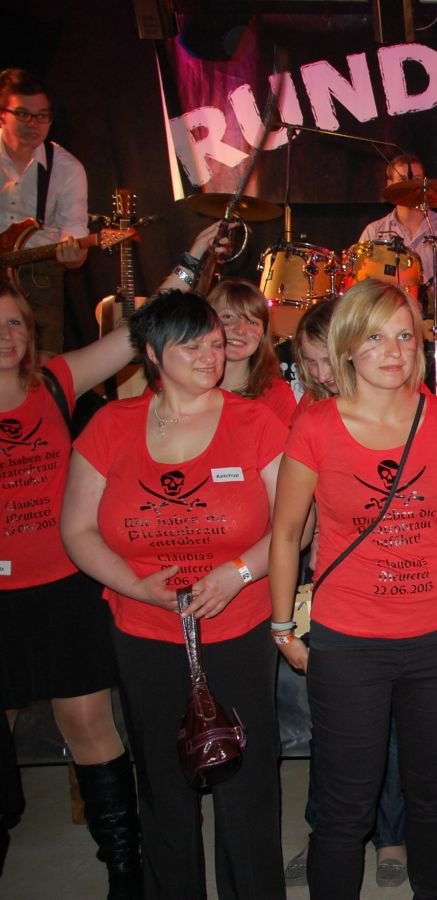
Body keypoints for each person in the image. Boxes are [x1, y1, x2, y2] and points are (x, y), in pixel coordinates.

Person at [268, 278, 437, 900]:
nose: (393, 351)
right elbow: (286, 534)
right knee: (346, 805)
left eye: (404, 336)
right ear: (346, 346)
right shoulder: (316, 426)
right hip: (348, 641)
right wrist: (282, 627)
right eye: (375, 337)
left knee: (432, 795)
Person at [61, 290, 287, 899]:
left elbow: (296, 524)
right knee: (163, 783)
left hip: (238, 627)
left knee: (247, 786)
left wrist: (238, 571)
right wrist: (134, 584)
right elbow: (76, 530)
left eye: (215, 343)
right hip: (145, 630)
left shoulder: (255, 422)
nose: (212, 355)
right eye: (192, 346)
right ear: (154, 355)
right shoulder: (111, 426)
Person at [0, 280, 139, 898]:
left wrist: (192, 265)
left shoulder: (53, 383)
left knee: (87, 721)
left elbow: (136, 337)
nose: (7, 336)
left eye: (15, 323)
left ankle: (125, 873)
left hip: (65, 586)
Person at [276, 293, 412, 890]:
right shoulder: (311, 414)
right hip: (327, 583)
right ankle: (327, 831)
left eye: (326, 359)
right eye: (308, 363)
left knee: (390, 725)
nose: (321, 373)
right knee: (333, 725)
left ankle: (392, 835)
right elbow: (295, 520)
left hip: (399, 585)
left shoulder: (403, 406)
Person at [0, 69, 88, 354]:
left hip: (38, 275)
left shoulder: (67, 169)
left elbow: (76, 243)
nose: (34, 123)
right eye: (23, 114)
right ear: (2, 115)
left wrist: (74, 256)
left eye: (42, 116)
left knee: (41, 362)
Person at [359, 153, 437, 310]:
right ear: (389, 185)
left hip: (436, 320)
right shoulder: (373, 232)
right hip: (388, 318)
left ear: (425, 184)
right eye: (402, 180)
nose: (410, 186)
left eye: (416, 179)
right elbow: (360, 288)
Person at [205, 279, 297, 422]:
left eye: (252, 322)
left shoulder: (277, 396)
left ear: (263, 334)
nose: (240, 330)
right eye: (228, 317)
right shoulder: (185, 387)